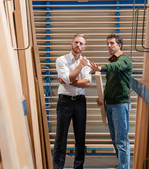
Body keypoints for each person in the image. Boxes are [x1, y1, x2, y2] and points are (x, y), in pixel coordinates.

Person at [88, 34, 132, 169]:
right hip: (111, 105)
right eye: (107, 43)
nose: (109, 46)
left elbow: (116, 67)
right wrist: (103, 98)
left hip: (120, 104)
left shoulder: (124, 60)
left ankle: (124, 167)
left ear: (119, 45)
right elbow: (110, 85)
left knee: (121, 141)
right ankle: (121, 164)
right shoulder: (113, 61)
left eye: (112, 43)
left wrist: (100, 68)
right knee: (115, 139)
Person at [53, 34, 91, 169]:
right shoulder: (61, 60)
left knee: (80, 137)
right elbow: (72, 79)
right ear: (71, 44)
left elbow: (86, 83)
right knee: (61, 137)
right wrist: (80, 66)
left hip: (80, 101)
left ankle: (78, 167)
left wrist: (68, 80)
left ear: (84, 47)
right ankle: (58, 167)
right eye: (76, 42)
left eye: (81, 43)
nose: (78, 45)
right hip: (65, 101)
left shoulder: (87, 62)